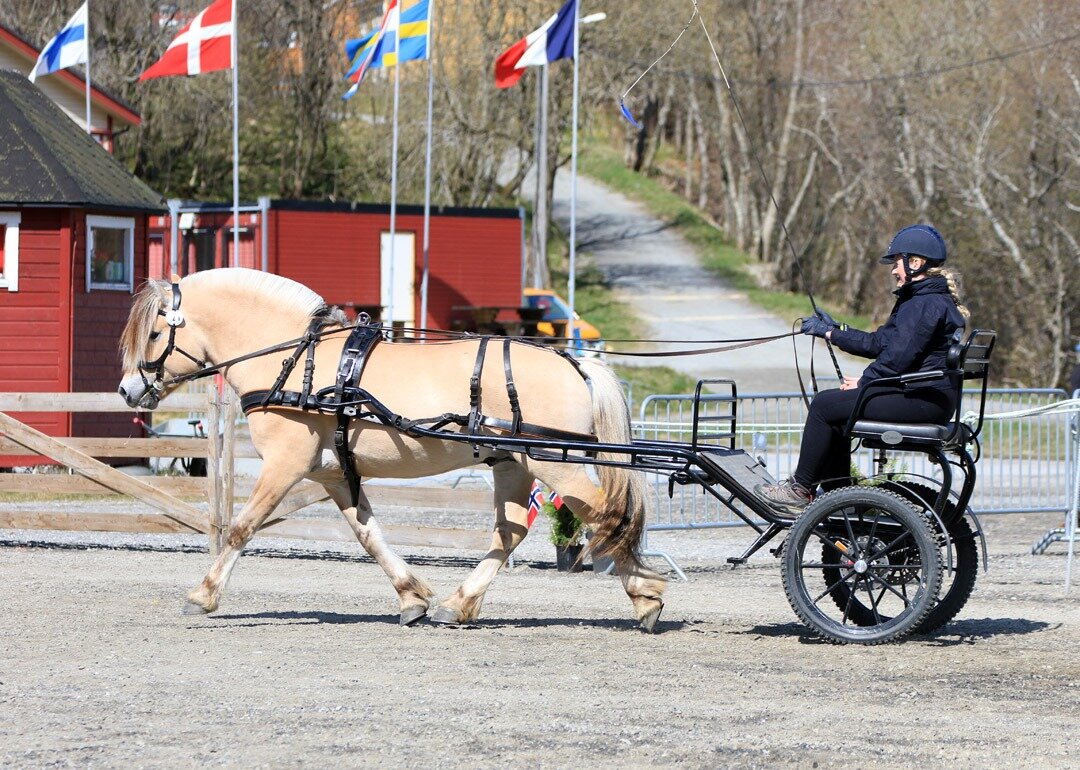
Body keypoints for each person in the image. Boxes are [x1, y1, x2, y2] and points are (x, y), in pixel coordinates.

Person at [755, 224, 969, 515]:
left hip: (923, 400)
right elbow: (878, 342)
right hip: (925, 396)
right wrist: (832, 331)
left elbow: (898, 357)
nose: (894, 270)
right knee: (838, 413)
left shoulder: (925, 304)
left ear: (915, 262)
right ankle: (840, 495)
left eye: (897, 262)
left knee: (824, 405)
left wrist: (866, 382)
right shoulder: (921, 300)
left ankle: (800, 489)